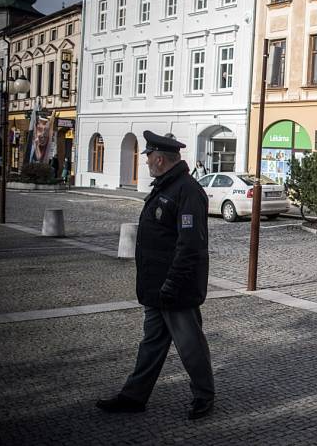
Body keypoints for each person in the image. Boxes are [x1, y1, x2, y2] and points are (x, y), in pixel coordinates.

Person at [97, 131, 215, 420]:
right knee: (151, 344)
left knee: (190, 345)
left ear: (160, 158)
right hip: (156, 287)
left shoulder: (186, 190)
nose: (147, 161)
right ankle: (134, 396)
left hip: (175, 288)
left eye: (148, 156)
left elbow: (190, 245)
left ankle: (205, 396)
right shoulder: (166, 186)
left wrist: (173, 283)